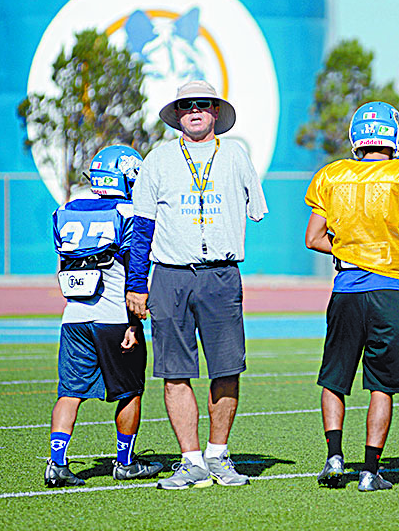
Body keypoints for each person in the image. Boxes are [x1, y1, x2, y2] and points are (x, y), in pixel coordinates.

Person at [125, 80, 267, 490]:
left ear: (216, 112)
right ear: (177, 113)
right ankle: (191, 462)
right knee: (175, 372)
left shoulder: (236, 154)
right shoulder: (159, 159)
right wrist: (137, 284)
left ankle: (218, 455)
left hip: (221, 274)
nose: (194, 111)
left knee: (226, 368)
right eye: (186, 105)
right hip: (169, 275)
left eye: (202, 104)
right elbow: (141, 228)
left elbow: (256, 210)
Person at [305, 101, 399, 491]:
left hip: (346, 290)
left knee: (334, 378)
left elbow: (313, 238)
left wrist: (348, 249)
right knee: (382, 384)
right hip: (390, 291)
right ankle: (369, 471)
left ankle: (333, 456)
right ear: (394, 135)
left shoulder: (331, 175)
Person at [46, 145, 163, 487]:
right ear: (127, 177)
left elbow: (62, 269)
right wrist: (134, 321)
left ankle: (57, 463)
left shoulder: (67, 210)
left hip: (74, 316)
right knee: (130, 391)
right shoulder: (128, 213)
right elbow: (135, 271)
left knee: (69, 392)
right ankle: (125, 462)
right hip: (114, 315)